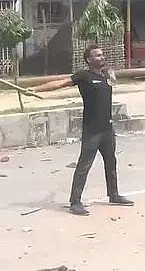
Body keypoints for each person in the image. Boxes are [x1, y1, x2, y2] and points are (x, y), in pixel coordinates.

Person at [26, 45, 134, 216]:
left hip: (107, 128)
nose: (102, 57)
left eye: (102, 54)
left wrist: (111, 73)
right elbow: (61, 82)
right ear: (89, 59)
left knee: (111, 163)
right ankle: (75, 202)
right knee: (84, 165)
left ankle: (114, 195)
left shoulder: (105, 74)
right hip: (92, 130)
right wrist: (36, 89)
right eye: (97, 55)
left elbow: (113, 76)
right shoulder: (84, 76)